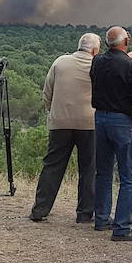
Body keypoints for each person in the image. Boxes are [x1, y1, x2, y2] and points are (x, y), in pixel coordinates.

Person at [29, 32, 100, 223]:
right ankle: (84, 214)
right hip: (89, 124)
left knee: (52, 166)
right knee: (88, 168)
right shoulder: (97, 65)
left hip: (60, 123)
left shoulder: (60, 62)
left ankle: (40, 210)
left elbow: (47, 92)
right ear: (94, 50)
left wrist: (53, 113)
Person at [90, 26, 132, 241]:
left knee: (103, 172)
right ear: (125, 41)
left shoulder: (97, 61)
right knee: (128, 177)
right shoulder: (131, 65)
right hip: (123, 122)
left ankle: (102, 219)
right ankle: (122, 228)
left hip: (100, 119)